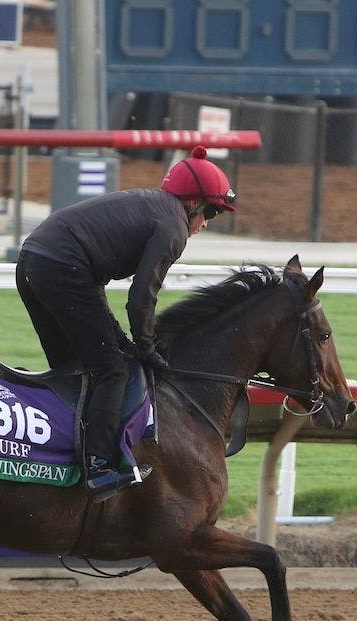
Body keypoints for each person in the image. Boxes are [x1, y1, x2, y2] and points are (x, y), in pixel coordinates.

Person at [13, 145, 237, 502]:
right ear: (193, 203)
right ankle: (98, 466)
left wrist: (131, 341)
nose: (207, 222)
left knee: (77, 368)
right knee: (111, 370)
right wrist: (146, 346)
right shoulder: (173, 226)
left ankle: (59, 455)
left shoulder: (155, 206)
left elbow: (108, 293)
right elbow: (141, 297)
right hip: (62, 268)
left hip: (33, 261)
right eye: (210, 211)